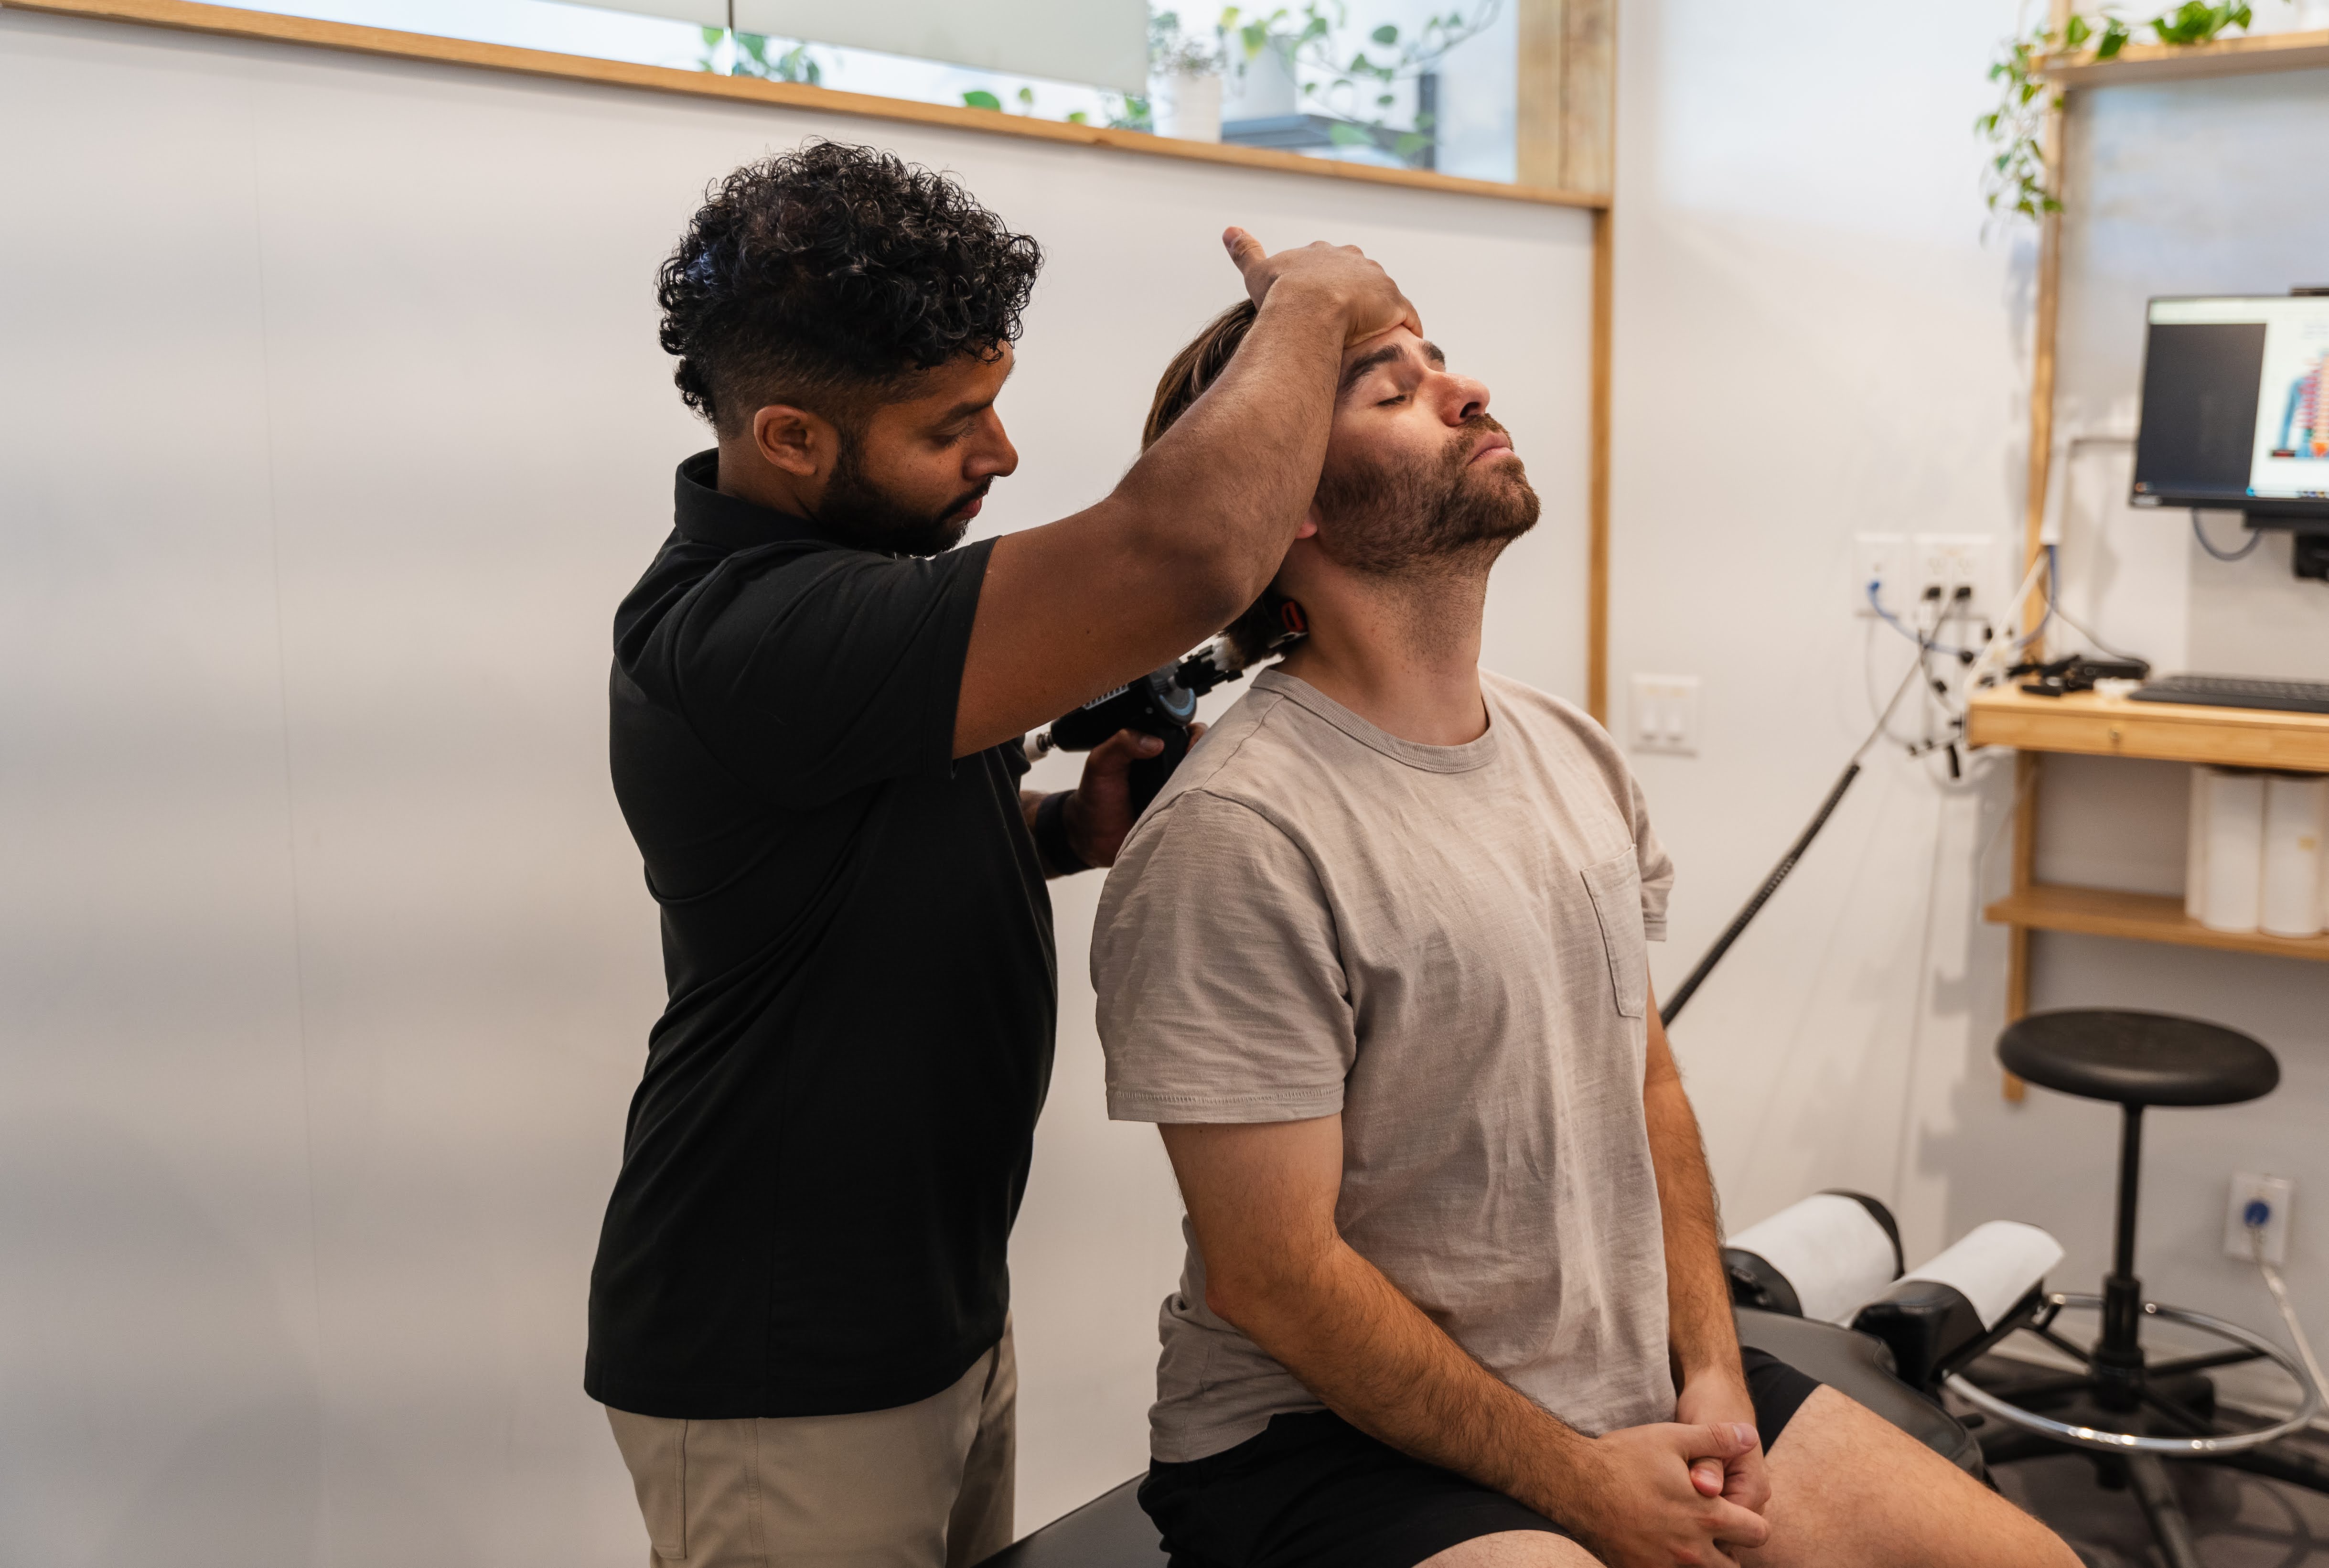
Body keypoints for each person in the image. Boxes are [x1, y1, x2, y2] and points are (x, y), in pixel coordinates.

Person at [1088, 301, 2085, 1568]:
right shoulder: (1237, 833)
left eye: (1437, 362)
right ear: (1289, 508)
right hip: (1320, 1439)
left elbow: (1646, 1081)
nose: (1464, 390)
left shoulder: (1570, 749)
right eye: (1391, 392)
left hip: (1614, 1373)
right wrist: (1583, 1487)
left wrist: (1713, 1367)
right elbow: (1272, 1274)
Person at [587, 142, 1419, 1568]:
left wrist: (1060, 830)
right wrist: (1314, 306)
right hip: (782, 1354)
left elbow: (842, 857)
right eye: (952, 424)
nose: (1002, 454)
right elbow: (1183, 557)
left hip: (935, 1309)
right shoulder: (743, 633)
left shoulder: (856, 601)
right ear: (791, 437)